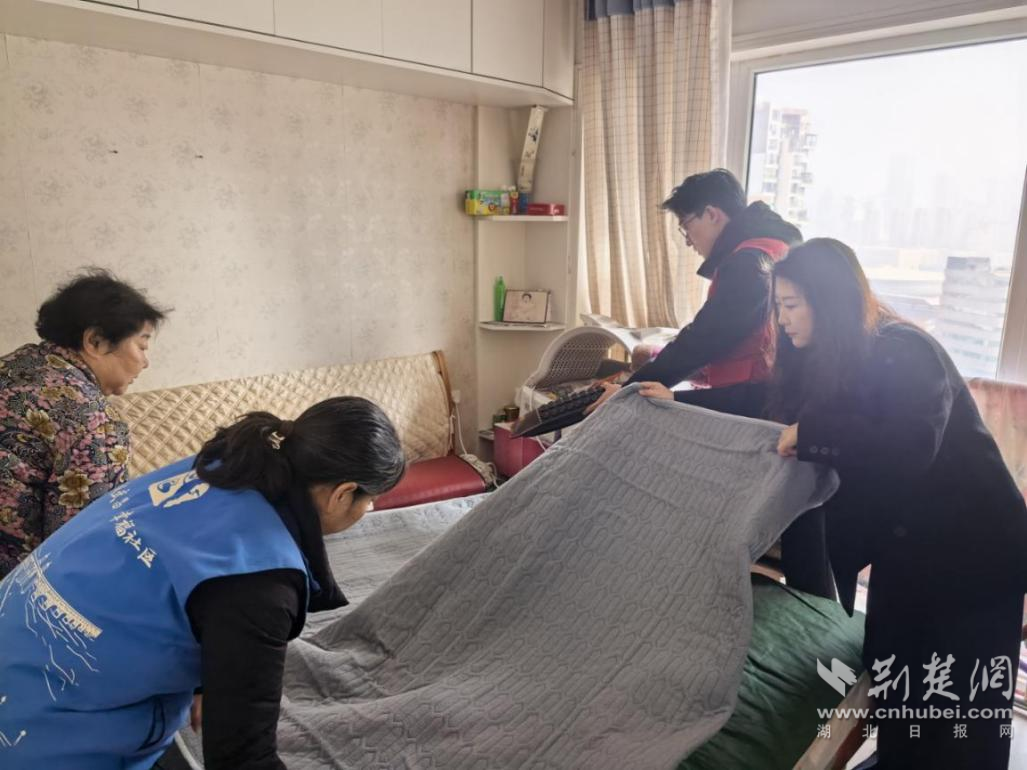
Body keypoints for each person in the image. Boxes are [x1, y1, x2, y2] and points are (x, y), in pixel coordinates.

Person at [640, 238, 1027, 768]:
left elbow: (911, 446)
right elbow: (763, 401)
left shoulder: (907, 352)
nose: (782, 320)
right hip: (907, 545)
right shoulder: (828, 358)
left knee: (965, 699)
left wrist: (815, 433)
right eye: (779, 307)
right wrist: (678, 400)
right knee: (893, 666)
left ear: (831, 302)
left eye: (791, 305)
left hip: (976, 549)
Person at [0, 396, 405, 769]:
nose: (369, 509)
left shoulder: (220, 465)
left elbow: (173, 577)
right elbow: (242, 760)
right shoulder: (260, 582)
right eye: (370, 499)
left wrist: (209, 678)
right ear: (342, 494)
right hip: (39, 735)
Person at [0, 269, 167, 578]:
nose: (145, 362)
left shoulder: (13, 365)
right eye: (142, 346)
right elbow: (81, 548)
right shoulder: (93, 421)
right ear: (95, 341)